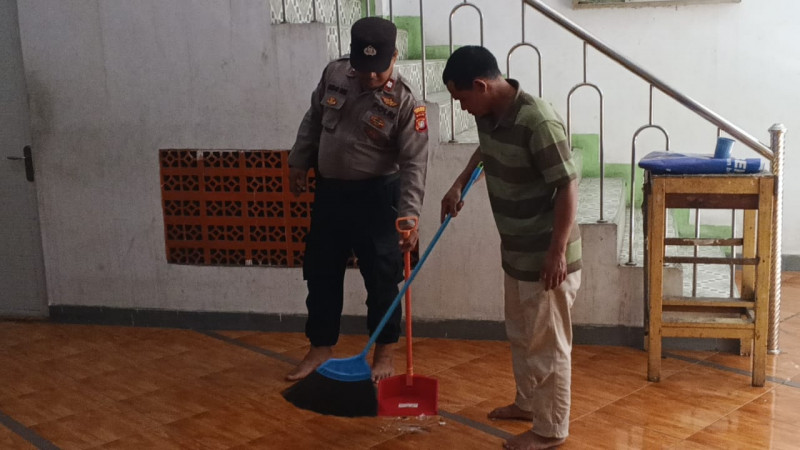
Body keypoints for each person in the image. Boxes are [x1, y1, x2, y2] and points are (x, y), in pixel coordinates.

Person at [440, 46, 582, 450]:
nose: (462, 108)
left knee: (547, 346)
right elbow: (485, 150)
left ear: (481, 85)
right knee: (521, 334)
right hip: (517, 252)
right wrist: (459, 183)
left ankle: (550, 430)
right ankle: (527, 404)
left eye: (462, 98)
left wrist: (555, 253)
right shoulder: (490, 114)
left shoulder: (537, 121)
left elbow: (567, 185)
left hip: (546, 257)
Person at [285, 17, 429, 384]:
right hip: (330, 193)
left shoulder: (406, 101)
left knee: (382, 279)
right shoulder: (335, 73)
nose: (370, 76)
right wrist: (299, 160)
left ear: (394, 57)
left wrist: (410, 214)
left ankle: (384, 351)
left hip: (378, 198)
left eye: (378, 68)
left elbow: (414, 163)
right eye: (363, 67)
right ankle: (320, 347)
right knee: (321, 272)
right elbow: (314, 118)